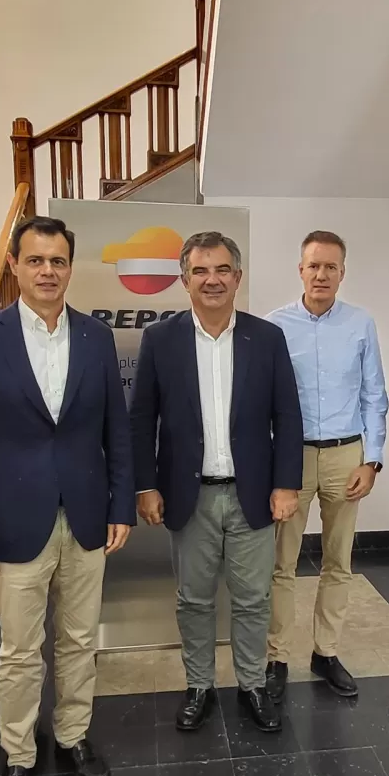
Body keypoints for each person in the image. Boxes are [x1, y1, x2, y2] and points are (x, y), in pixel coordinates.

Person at [0, 216, 135, 776]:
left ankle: (74, 735)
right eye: (35, 260)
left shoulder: (96, 337)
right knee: (21, 651)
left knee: (79, 640)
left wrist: (121, 505)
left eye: (57, 261)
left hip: (86, 517)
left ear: (70, 267)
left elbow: (117, 431)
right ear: (15, 266)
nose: (47, 271)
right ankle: (19, 757)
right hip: (11, 524)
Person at [129, 230, 304, 733]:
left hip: (253, 495)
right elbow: (142, 419)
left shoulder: (266, 338)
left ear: (238, 277)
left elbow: (287, 415)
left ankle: (252, 684)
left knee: (253, 599)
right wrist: (145, 485)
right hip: (189, 496)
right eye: (201, 271)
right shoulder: (160, 339)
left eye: (222, 269)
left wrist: (286, 484)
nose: (212, 280)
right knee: (194, 600)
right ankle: (199, 685)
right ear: (184, 280)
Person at [263, 231, 389, 701]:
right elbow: (263, 401)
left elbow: (374, 395)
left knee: (338, 561)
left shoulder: (361, 324)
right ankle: (276, 657)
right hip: (291, 458)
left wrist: (372, 460)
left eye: (330, 267)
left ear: (342, 273)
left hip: (345, 456)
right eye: (314, 265)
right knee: (281, 563)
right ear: (300, 270)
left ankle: (326, 652)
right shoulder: (275, 326)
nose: (321, 274)